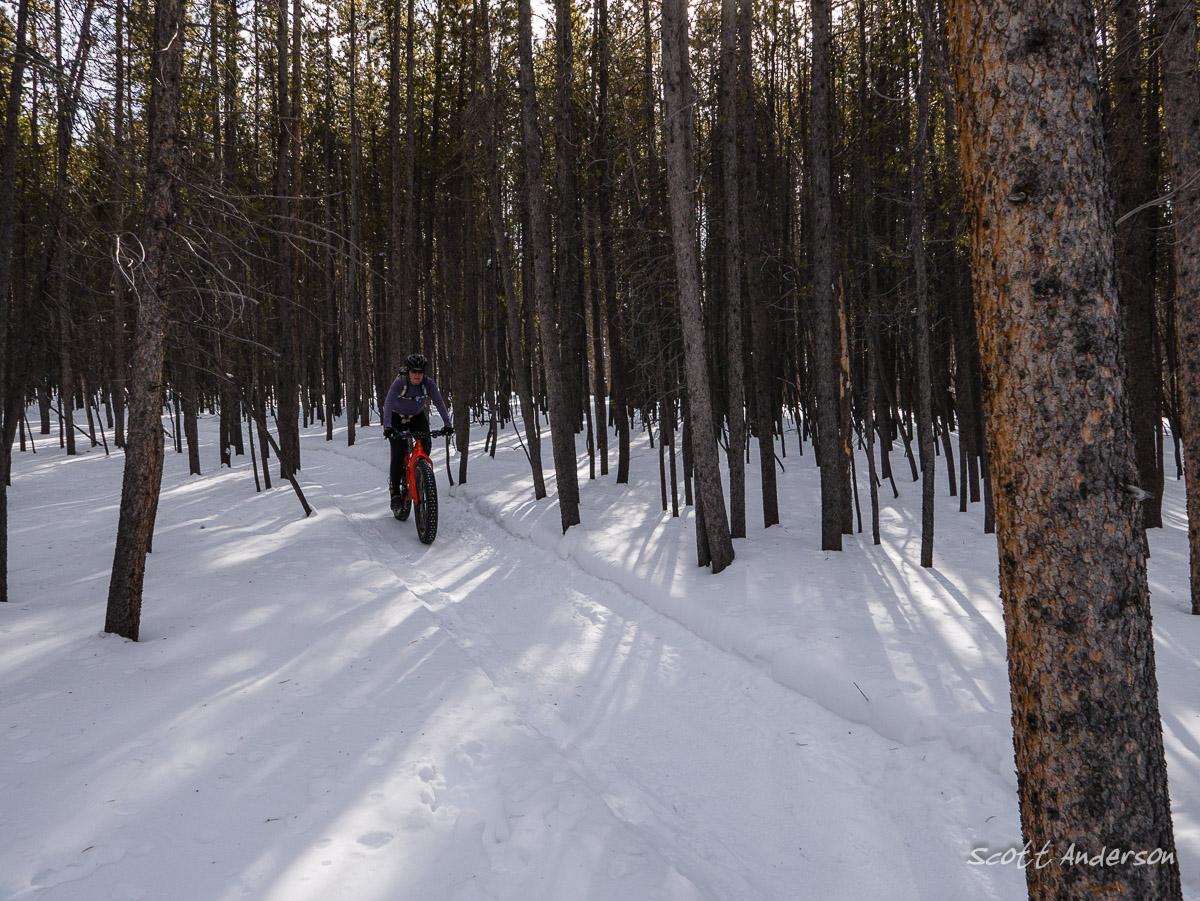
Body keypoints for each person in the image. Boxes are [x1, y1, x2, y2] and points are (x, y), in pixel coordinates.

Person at [382, 353, 451, 508]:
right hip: (396, 417)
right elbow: (388, 403)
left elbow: (439, 402)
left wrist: (448, 424)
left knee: (425, 445)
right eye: (414, 372)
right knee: (398, 452)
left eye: (420, 372)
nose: (417, 375)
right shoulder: (400, 383)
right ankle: (395, 493)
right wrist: (388, 427)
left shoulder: (428, 384)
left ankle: (420, 473)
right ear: (408, 371)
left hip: (417, 416)